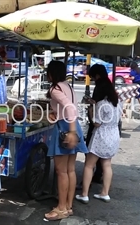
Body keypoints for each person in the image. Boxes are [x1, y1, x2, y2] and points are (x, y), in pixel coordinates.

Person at [44, 61, 88, 221]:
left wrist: (71, 132)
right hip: (71, 125)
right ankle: (68, 206)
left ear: (52, 73)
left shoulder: (55, 88)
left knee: (61, 171)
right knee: (70, 170)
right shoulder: (67, 86)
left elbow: (69, 107)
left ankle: (61, 208)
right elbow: (67, 108)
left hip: (66, 128)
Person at [75, 76, 121, 204]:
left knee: (89, 165)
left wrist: (91, 109)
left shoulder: (102, 104)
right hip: (113, 135)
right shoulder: (117, 103)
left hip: (101, 136)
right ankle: (104, 193)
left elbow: (96, 123)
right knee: (107, 165)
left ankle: (84, 194)